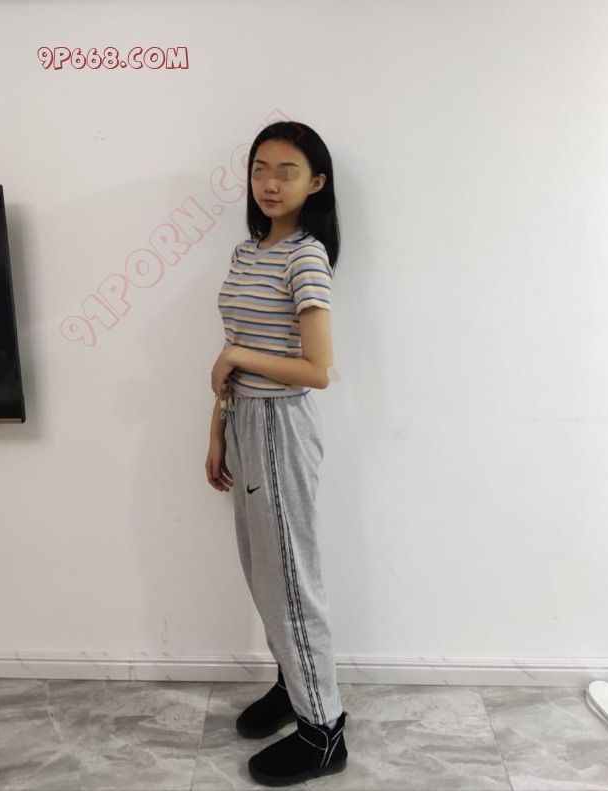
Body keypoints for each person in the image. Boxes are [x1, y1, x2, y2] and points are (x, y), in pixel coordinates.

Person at [205, 121, 348, 786]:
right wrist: (217, 428)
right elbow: (233, 347)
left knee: (292, 580)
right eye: (260, 168)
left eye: (286, 170)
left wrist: (236, 356)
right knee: (266, 574)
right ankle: (293, 687)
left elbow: (318, 369)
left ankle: (324, 731)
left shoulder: (305, 257)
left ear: (315, 182)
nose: (269, 181)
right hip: (243, 419)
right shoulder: (247, 251)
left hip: (280, 428)